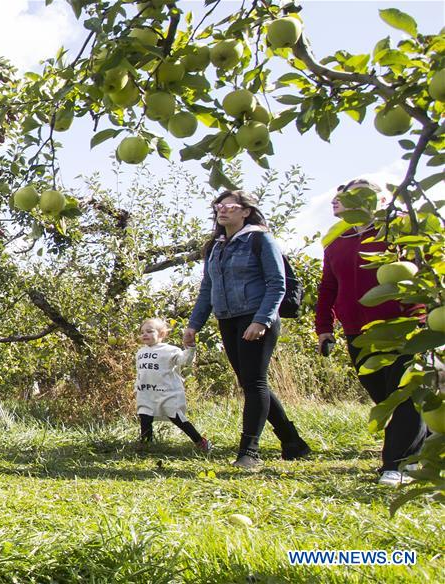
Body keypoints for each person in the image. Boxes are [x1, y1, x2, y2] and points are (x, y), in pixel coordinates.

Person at [184, 190, 311, 468]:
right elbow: (208, 288)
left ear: (245, 211)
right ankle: (293, 442)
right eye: (219, 205)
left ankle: (249, 452)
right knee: (251, 382)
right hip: (227, 318)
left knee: (254, 382)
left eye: (230, 205)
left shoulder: (260, 238)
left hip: (255, 316)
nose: (223, 209)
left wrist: (262, 319)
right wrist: (194, 323)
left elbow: (277, 283)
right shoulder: (216, 246)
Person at [315, 178, 426, 486]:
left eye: (346, 196)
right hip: (358, 331)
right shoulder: (337, 241)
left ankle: (397, 465)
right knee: (384, 395)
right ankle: (424, 445)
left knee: (404, 394)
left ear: (374, 200)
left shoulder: (401, 230)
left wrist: (427, 316)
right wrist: (324, 327)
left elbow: (428, 269)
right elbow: (328, 287)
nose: (336, 201)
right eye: (337, 196)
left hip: (404, 325)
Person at [134, 318, 212, 452]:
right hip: (146, 392)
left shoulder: (170, 350)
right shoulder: (140, 352)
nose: (144, 334)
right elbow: (140, 372)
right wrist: (136, 387)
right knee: (145, 416)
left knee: (176, 417)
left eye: (149, 331)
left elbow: (185, 361)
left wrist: (191, 348)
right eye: (142, 332)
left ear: (162, 334)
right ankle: (145, 444)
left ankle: (200, 441)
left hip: (167, 392)